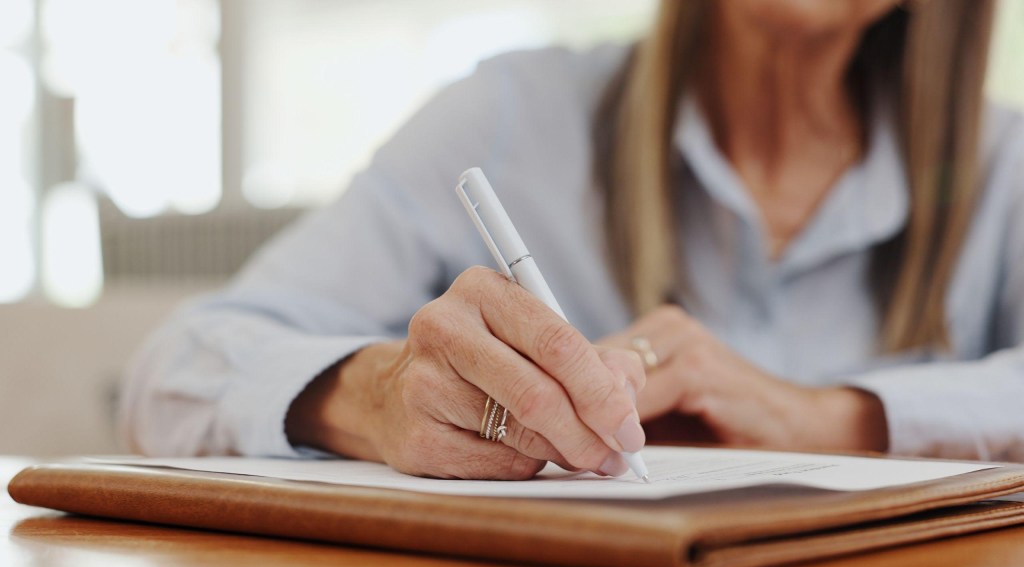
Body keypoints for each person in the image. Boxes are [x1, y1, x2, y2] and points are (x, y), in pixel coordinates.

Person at [121, 0, 1024, 479]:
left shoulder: (1005, 166)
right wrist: (377, 397)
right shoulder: (510, 117)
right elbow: (173, 367)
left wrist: (835, 418)